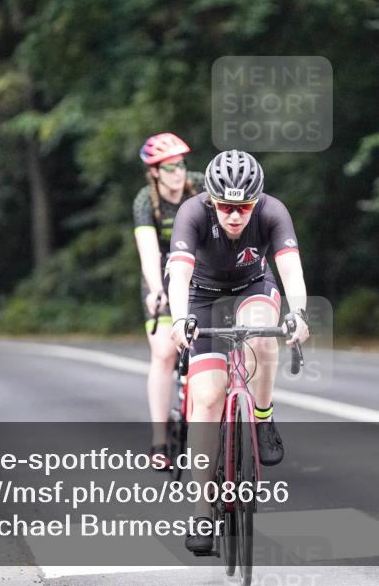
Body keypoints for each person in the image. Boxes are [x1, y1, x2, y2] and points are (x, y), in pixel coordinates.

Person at [166, 149, 310, 554]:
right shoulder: (192, 214)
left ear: (256, 201)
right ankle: (199, 511)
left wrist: (297, 313)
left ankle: (262, 417)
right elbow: (178, 274)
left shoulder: (273, 212)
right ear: (212, 200)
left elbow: (290, 269)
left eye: (243, 207)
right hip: (201, 295)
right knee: (207, 399)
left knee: (264, 335)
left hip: (253, 286)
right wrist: (179, 320)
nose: (234, 216)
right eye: (226, 207)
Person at [132, 133, 204, 470]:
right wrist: (155, 288)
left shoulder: (200, 185)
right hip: (161, 277)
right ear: (155, 172)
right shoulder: (145, 201)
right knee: (163, 353)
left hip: (200, 272)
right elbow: (148, 252)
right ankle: (160, 440)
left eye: (181, 165)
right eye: (170, 167)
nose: (178, 172)